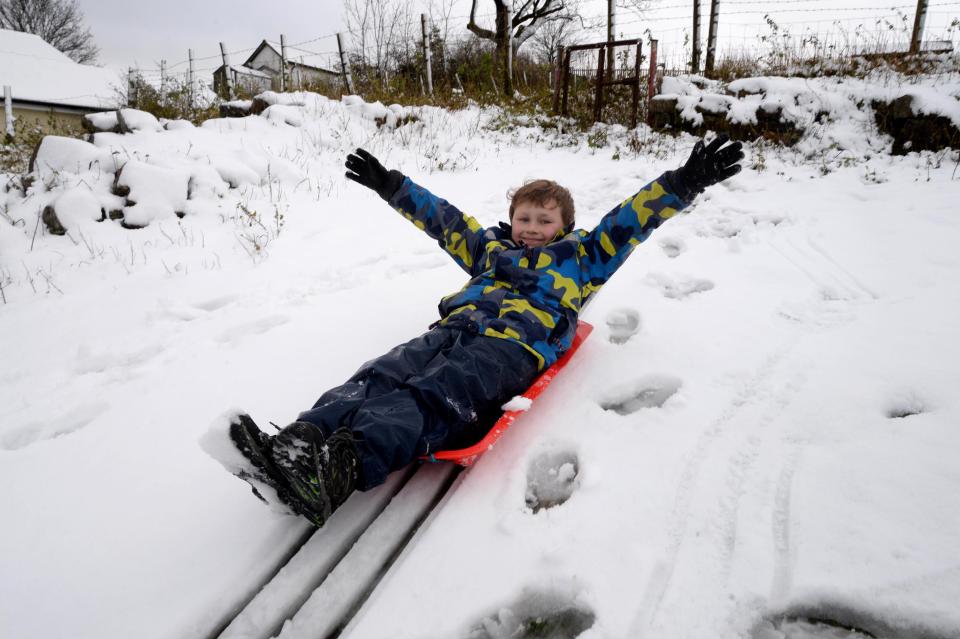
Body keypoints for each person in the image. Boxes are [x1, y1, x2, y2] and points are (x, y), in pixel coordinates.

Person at [228, 135, 744, 526]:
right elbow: (445, 221)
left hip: (511, 347)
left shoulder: (583, 258)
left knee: (435, 393)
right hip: (453, 326)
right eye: (524, 218)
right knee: (382, 373)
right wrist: (391, 185)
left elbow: (630, 220)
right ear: (510, 219)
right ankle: (301, 441)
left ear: (564, 227)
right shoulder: (490, 251)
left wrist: (684, 182)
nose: (532, 228)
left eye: (545, 220)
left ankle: (340, 467)